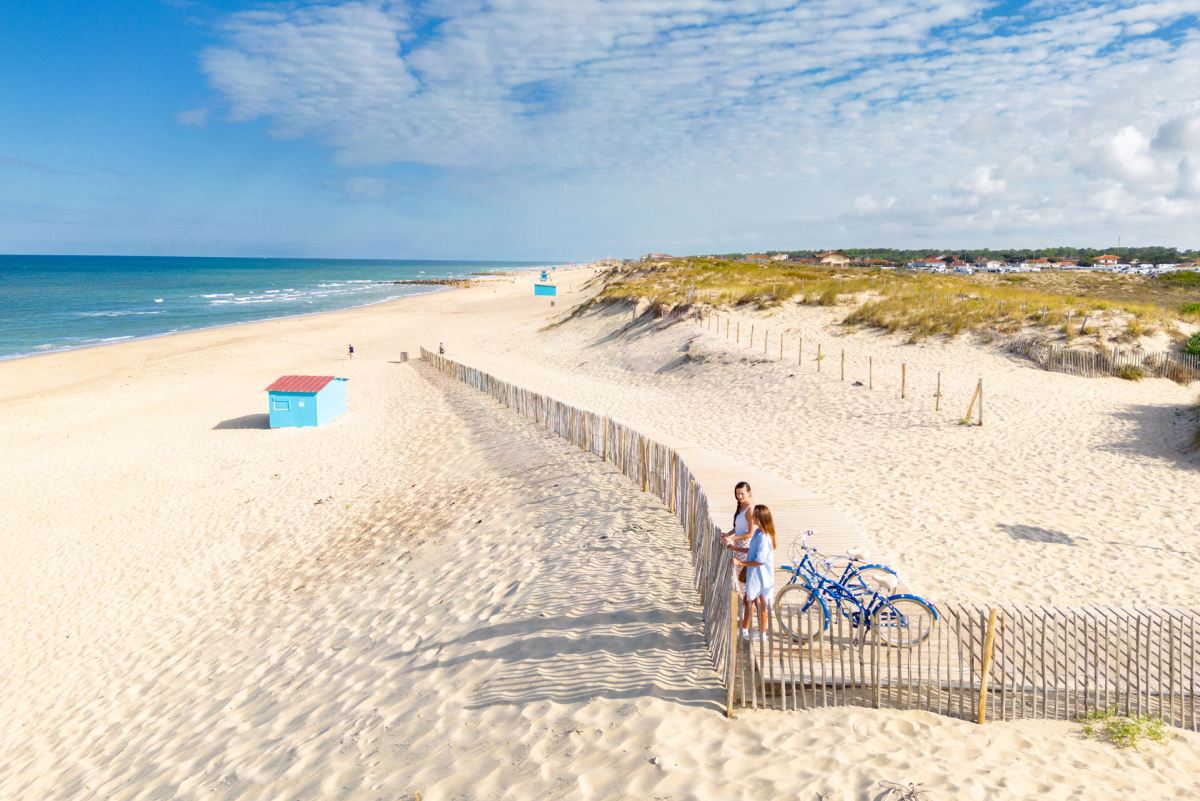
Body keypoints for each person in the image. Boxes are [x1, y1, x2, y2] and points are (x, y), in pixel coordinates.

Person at [731, 504, 776, 640]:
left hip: (761, 575)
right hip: (755, 573)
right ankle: (747, 631)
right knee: (749, 601)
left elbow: (760, 560)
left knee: (758, 603)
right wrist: (734, 548)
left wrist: (741, 563)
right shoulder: (758, 533)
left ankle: (756, 633)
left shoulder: (764, 537)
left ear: (760, 518)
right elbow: (751, 552)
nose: (751, 517)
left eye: (754, 515)